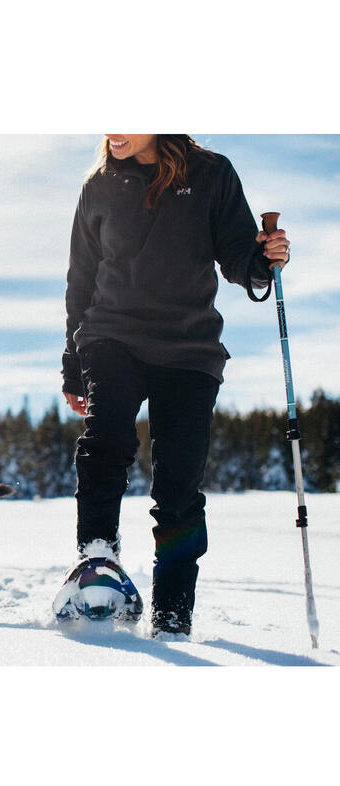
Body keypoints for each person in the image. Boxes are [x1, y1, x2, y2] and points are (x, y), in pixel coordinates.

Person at [59, 134, 290, 636]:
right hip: (111, 334)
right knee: (106, 438)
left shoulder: (210, 174)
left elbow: (237, 258)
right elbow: (81, 280)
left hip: (189, 349)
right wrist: (73, 365)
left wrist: (262, 259)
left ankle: (172, 615)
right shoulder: (98, 186)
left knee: (179, 487)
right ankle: (97, 562)